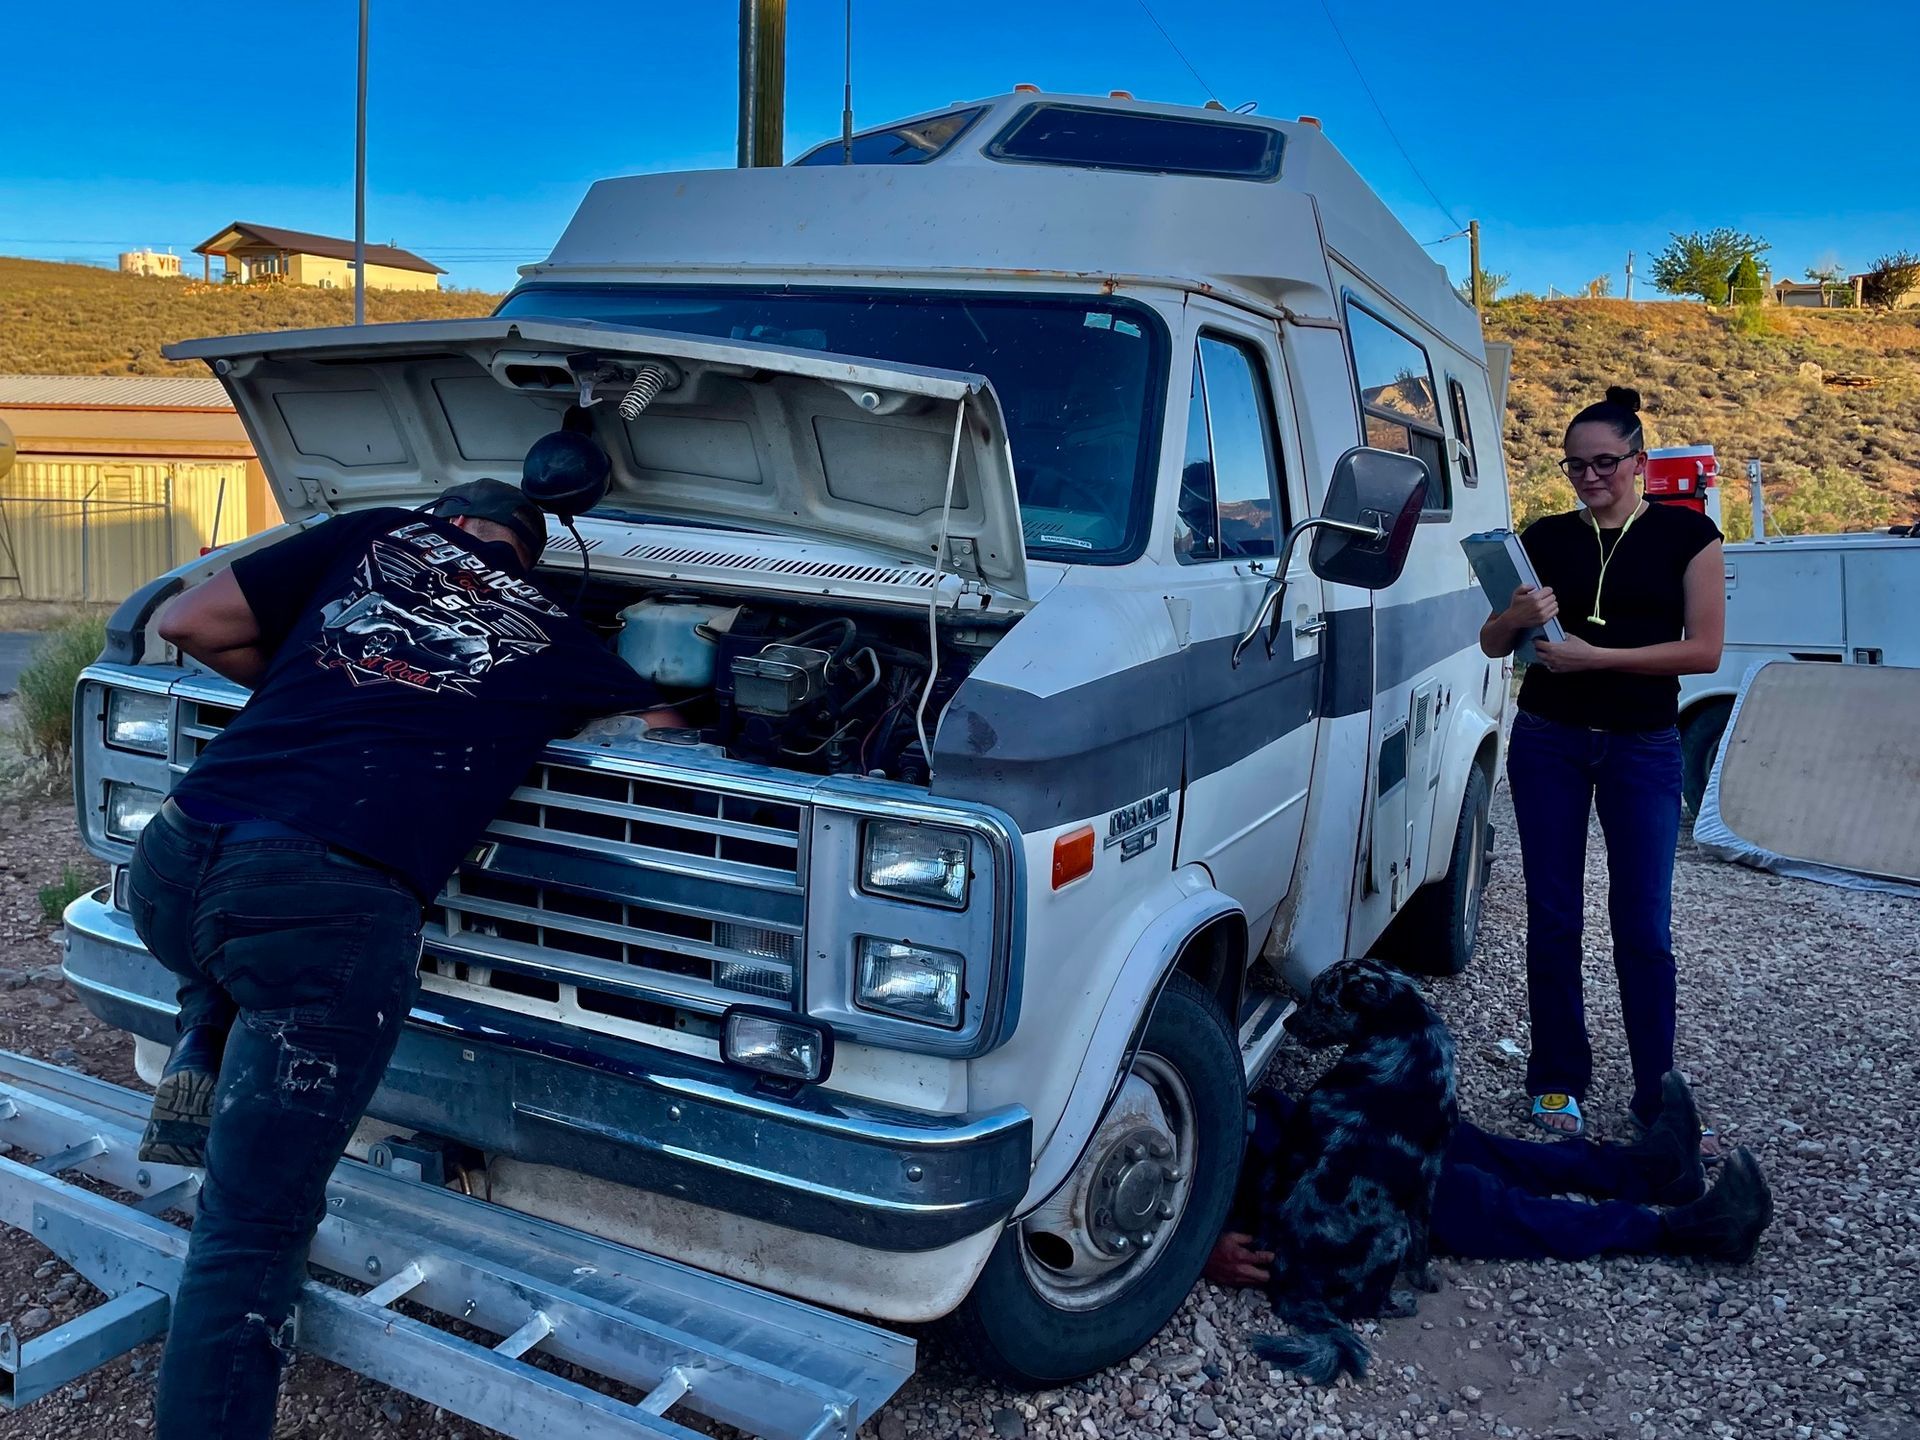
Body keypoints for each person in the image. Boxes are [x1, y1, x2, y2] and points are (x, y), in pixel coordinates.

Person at [127, 450, 673, 1439]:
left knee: (231, 936)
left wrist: (320, 694)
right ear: (527, 557)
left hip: (170, 867)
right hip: (319, 913)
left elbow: (187, 623)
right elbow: (667, 731)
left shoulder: (372, 533)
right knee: (250, 1234)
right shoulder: (556, 630)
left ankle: (204, 1038)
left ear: (443, 520)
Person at [1478, 387, 1724, 1141]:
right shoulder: (1544, 538)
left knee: (1642, 925)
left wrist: (1597, 659)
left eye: (1605, 463)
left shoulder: (1689, 535)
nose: (1589, 477)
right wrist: (1514, 617)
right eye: (1575, 465)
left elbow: (1704, 651)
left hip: (1642, 746)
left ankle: (1656, 1092)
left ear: (1639, 461)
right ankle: (1556, 1078)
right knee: (1553, 916)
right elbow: (1492, 642)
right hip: (1548, 739)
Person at [1206, 1072, 1772, 1286]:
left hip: (1258, 1126)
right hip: (1259, 1184)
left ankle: (1649, 1170)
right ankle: (1684, 1231)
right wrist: (1200, 1249)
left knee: (1454, 1140)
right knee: (1466, 1200)